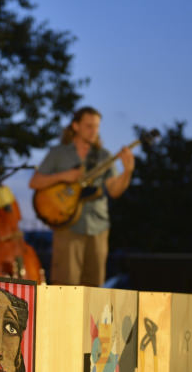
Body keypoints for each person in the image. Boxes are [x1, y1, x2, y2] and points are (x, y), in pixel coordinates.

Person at [28, 106, 134, 287]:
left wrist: (127, 171)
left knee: (94, 289)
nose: (94, 131)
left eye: (97, 127)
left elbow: (114, 191)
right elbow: (35, 182)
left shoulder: (104, 156)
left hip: (98, 227)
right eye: (89, 126)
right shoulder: (58, 153)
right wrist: (63, 176)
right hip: (67, 225)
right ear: (75, 126)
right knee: (65, 287)